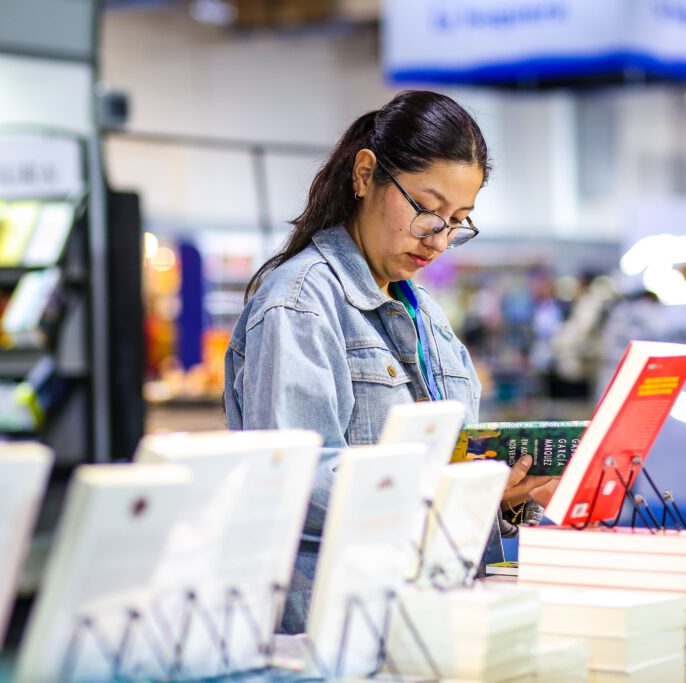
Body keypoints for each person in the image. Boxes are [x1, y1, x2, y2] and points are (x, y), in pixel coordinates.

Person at [224, 90, 553, 633]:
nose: (439, 239)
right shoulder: (300, 303)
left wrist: (504, 495)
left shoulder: (428, 318)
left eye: (458, 221)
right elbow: (296, 480)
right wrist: (450, 489)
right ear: (365, 173)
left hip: (425, 611)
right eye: (426, 209)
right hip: (329, 624)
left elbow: (451, 463)